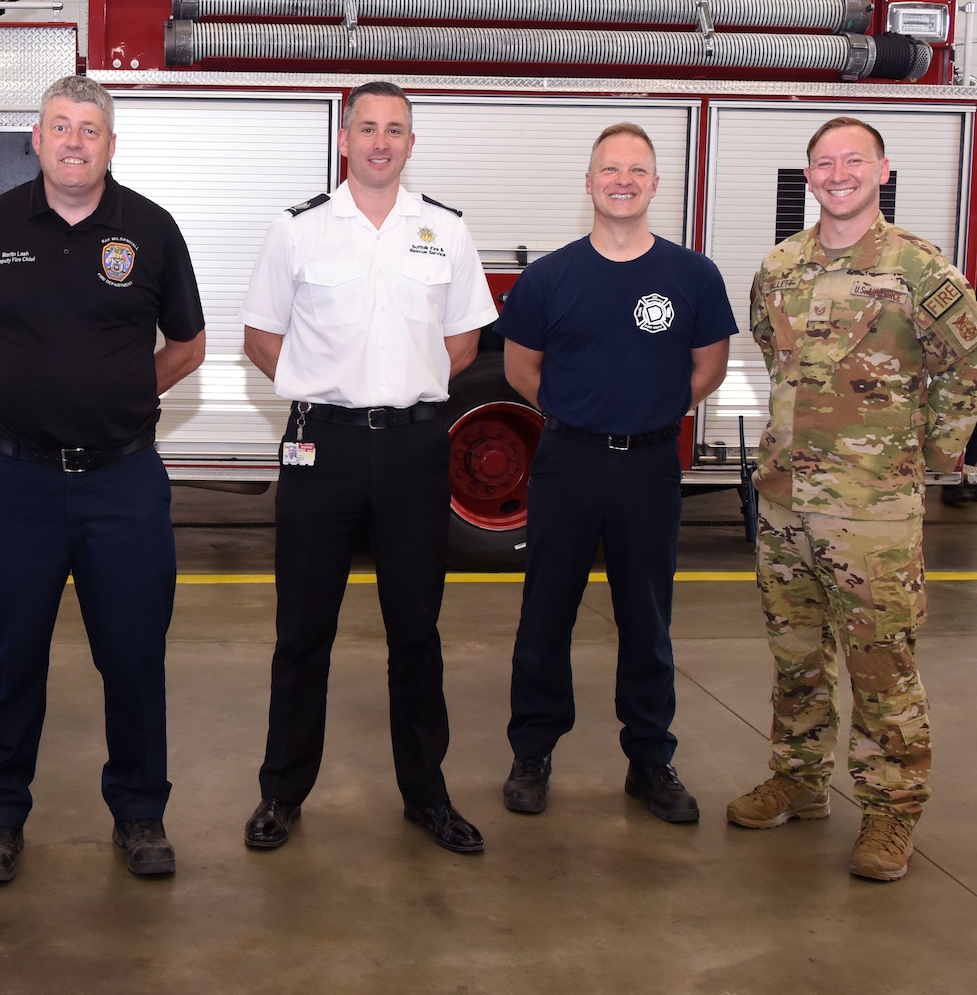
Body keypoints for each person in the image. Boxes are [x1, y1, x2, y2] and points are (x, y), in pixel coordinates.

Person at [0, 75, 206, 882]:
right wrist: (22, 388)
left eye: (89, 129)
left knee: (132, 656)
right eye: (60, 126)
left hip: (123, 483)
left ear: (110, 145)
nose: (73, 142)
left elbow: (188, 345)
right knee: (11, 654)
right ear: (37, 138)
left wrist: (122, 395)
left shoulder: (152, 230)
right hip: (21, 483)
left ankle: (140, 813)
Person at [238, 80, 497, 856]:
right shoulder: (300, 230)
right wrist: (324, 389)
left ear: (411, 144)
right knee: (302, 630)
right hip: (323, 449)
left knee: (415, 632)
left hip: (415, 449)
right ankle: (281, 792)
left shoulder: (445, 231)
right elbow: (260, 334)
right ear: (344, 139)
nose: (381, 141)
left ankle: (427, 793)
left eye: (396, 129)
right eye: (368, 128)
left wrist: (400, 392)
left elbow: (463, 343)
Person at [731, 116, 977, 881]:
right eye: (824, 163)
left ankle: (890, 813)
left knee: (881, 665)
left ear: (882, 170)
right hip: (783, 505)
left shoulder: (919, 268)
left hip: (871, 513)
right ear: (809, 178)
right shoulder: (780, 266)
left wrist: (927, 458)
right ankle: (800, 781)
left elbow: (966, 364)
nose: (838, 173)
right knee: (795, 656)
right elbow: (775, 359)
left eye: (853, 161)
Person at [495, 123, 736, 823]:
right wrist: (583, 416)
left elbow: (709, 367)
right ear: (590, 182)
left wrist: (647, 413)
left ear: (655, 184)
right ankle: (532, 751)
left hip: (652, 464)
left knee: (647, 615)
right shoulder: (548, 277)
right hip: (567, 460)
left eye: (637, 169)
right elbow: (519, 371)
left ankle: (651, 758)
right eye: (610, 169)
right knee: (546, 613)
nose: (623, 180)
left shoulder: (693, 275)